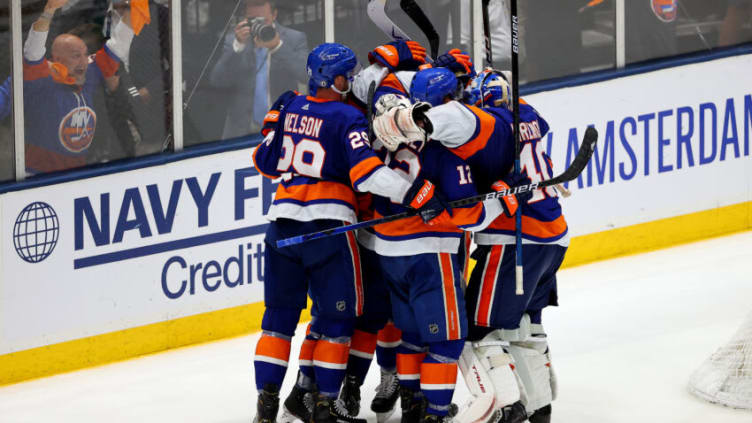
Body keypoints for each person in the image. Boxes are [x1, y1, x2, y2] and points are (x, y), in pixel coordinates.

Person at [251, 42, 450, 423]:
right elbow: (366, 175)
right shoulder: (347, 116)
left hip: (281, 225)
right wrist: (415, 193)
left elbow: (264, 161)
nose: (354, 78)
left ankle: (267, 403)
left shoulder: (290, 104)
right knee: (339, 319)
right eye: (349, 73)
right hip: (328, 228)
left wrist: (274, 124)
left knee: (277, 320)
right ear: (336, 78)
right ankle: (325, 404)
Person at [373, 69, 567, 423]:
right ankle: (540, 406)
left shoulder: (480, 126)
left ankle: (507, 406)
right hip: (554, 233)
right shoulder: (529, 114)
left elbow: (459, 123)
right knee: (525, 324)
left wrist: (411, 117)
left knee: (479, 331)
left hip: (513, 238)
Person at [22, 0, 134, 174]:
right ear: (57, 60)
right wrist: (48, 12)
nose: (83, 60)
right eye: (76, 56)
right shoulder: (43, 78)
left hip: (76, 174)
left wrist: (136, 7)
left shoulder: (89, 71)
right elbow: (32, 52)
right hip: (36, 176)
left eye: (85, 54)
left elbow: (118, 45)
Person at [209, 0, 308, 140]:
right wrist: (238, 46)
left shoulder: (294, 38)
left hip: (282, 126)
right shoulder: (233, 39)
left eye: (263, 20)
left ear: (274, 15)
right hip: (240, 129)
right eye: (253, 20)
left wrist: (277, 46)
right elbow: (217, 80)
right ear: (245, 19)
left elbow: (306, 75)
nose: (259, 24)